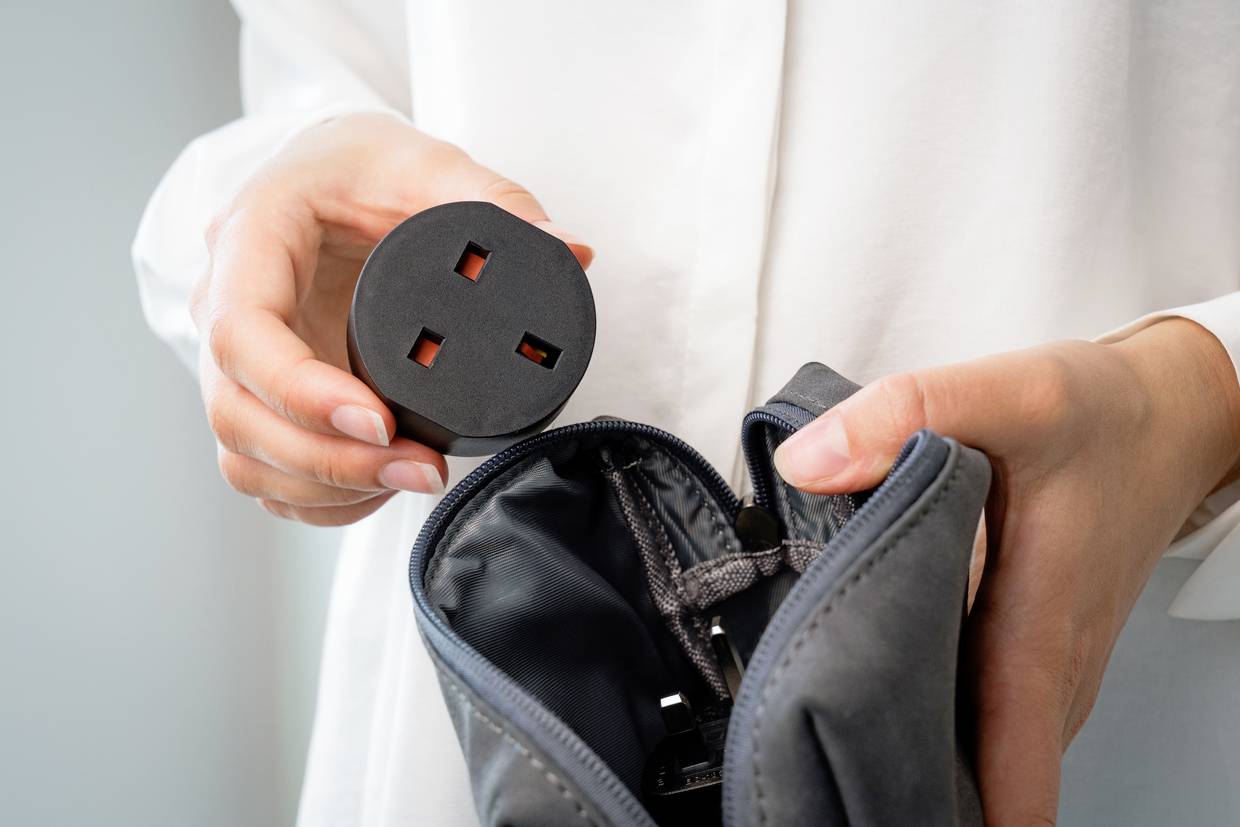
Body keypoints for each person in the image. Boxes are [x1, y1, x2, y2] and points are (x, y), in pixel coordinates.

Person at [134, 2, 1240, 824]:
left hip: (1103, 674)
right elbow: (315, 74)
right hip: (477, 710)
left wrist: (1198, 395)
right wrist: (271, 217)